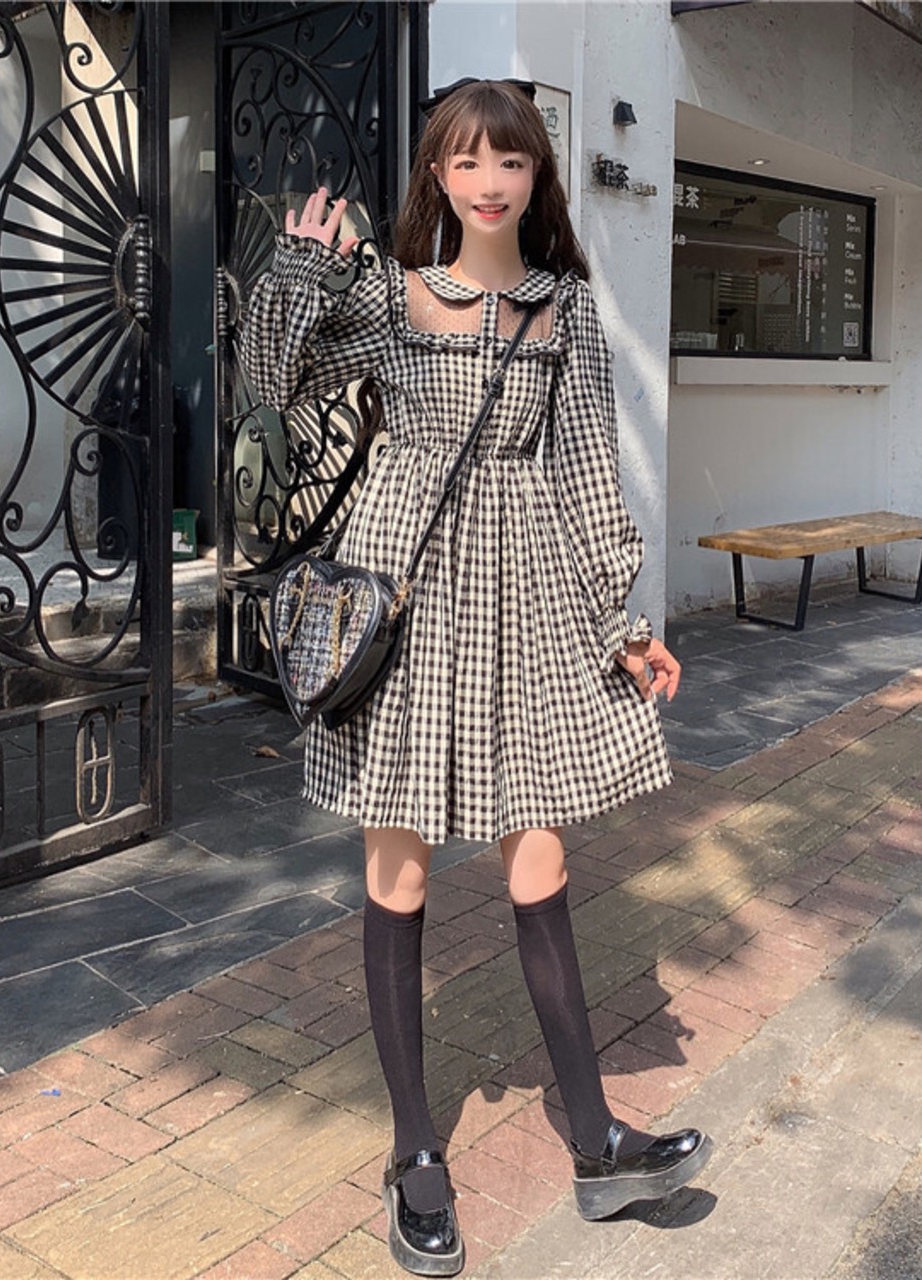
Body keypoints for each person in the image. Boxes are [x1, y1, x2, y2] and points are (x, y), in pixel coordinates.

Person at [239, 78, 710, 1279]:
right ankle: (413, 1153)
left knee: (538, 856)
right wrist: (294, 278)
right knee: (395, 868)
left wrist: (623, 622)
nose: (488, 182)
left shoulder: (565, 308)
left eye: (509, 160)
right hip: (405, 588)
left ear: (535, 175)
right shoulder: (392, 296)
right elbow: (270, 391)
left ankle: (595, 1141)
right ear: (437, 178)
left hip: (527, 592)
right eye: (465, 161)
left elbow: (589, 472)